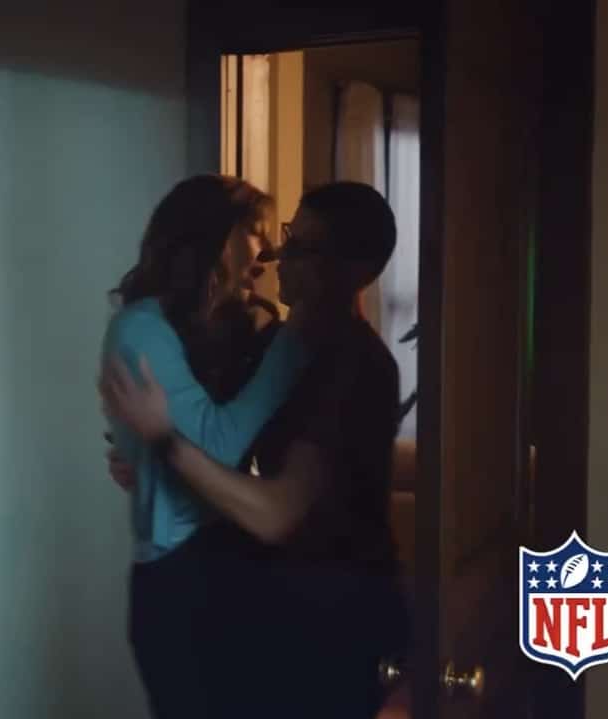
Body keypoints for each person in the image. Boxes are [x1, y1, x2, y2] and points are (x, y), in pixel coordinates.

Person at [102, 181, 410, 719]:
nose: (278, 256)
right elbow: (219, 430)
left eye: (302, 247)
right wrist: (144, 457)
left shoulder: (354, 367)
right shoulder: (276, 343)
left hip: (341, 617)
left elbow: (275, 514)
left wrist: (166, 445)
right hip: (279, 604)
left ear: (355, 270)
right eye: (288, 236)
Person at [100, 174, 318, 719]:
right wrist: (293, 343)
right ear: (216, 238)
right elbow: (217, 446)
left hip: (226, 558)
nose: (264, 250)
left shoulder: (220, 325)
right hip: (180, 581)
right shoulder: (141, 329)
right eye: (253, 231)